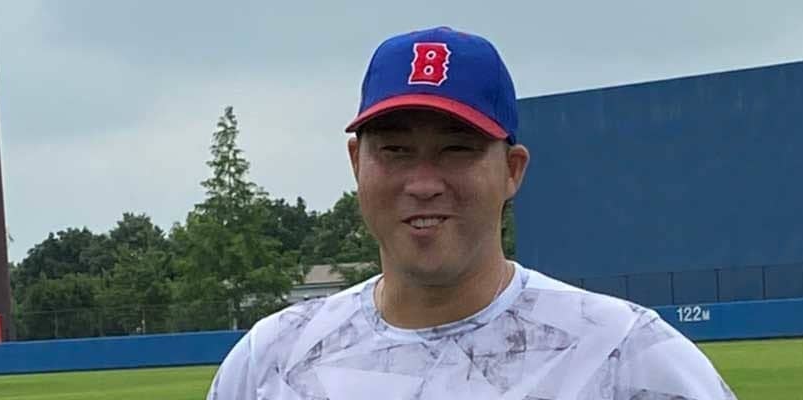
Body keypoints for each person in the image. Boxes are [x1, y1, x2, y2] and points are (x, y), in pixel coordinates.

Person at [207, 26, 737, 400]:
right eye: (395, 150)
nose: (423, 183)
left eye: (456, 149)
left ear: (512, 170)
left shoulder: (625, 356)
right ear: (356, 164)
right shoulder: (270, 363)